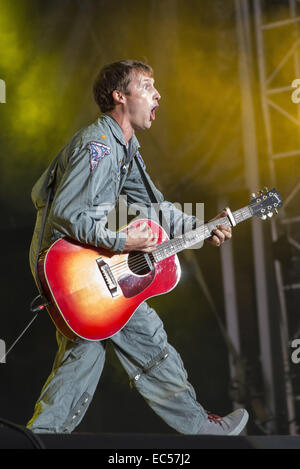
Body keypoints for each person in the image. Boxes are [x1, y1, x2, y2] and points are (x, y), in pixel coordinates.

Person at [27, 60, 248, 435]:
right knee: (146, 335)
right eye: (147, 86)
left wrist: (203, 226)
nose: (157, 93)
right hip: (70, 266)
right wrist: (122, 240)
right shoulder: (98, 145)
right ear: (120, 96)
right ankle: (200, 429)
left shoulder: (125, 148)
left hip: (80, 266)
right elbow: (67, 215)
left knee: (84, 353)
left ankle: (42, 438)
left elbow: (155, 208)